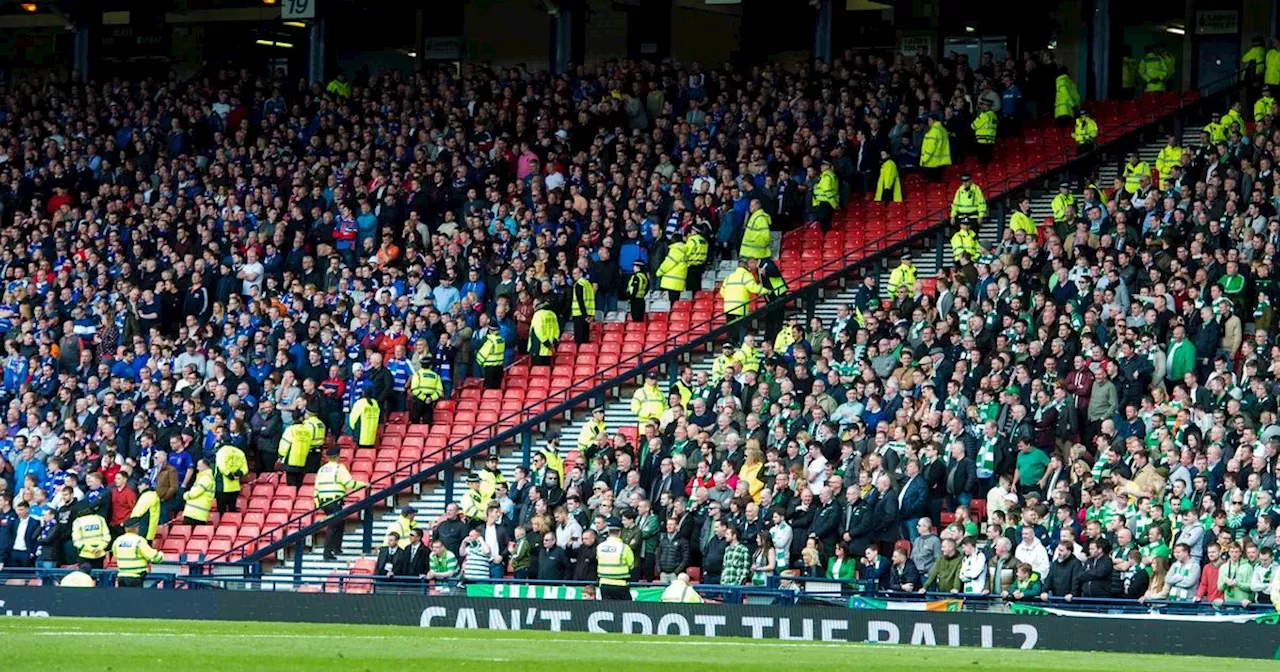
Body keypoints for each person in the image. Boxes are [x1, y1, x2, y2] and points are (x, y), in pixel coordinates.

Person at [315, 446, 363, 561]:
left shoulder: (322, 469)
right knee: (334, 525)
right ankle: (327, 553)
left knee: (339, 523)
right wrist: (364, 484)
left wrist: (317, 503)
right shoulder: (339, 467)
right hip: (334, 500)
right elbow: (349, 483)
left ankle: (337, 548)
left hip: (324, 501)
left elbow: (316, 487)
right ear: (337, 457)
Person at [111, 518, 164, 587]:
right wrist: (161, 555)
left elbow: (115, 555)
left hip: (121, 576)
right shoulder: (139, 541)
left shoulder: (118, 540)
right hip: (135, 577)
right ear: (136, 528)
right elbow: (153, 556)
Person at [721, 259, 763, 343]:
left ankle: (730, 343)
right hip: (741, 307)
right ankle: (740, 343)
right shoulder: (746, 275)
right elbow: (753, 288)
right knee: (742, 327)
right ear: (746, 267)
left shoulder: (729, 276)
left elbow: (722, 292)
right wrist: (765, 290)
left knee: (730, 327)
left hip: (728, 307)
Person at [597, 517, 635, 600]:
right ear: (619, 533)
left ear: (608, 532)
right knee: (626, 609)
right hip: (620, 584)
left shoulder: (600, 547)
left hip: (604, 584)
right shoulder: (624, 548)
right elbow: (631, 565)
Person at [214, 442, 247, 514]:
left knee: (222, 511)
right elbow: (245, 469)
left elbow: (221, 466)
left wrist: (230, 475)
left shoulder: (221, 451)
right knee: (232, 509)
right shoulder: (240, 452)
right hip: (235, 487)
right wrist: (238, 474)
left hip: (222, 487)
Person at [655, 232, 689, 303]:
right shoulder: (684, 250)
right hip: (678, 281)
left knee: (672, 303)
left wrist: (659, 272)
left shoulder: (676, 250)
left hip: (672, 281)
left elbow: (668, 263)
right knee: (675, 302)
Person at [181, 460, 216, 525]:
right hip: (196, 513)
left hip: (195, 514)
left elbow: (194, 493)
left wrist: (185, 495)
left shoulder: (206, 478)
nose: (197, 468)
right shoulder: (204, 477)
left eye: (199, 466)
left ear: (205, 466)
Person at [811, 158, 840, 232]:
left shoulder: (827, 176)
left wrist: (834, 204)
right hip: (825, 203)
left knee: (825, 225)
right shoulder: (824, 176)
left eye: (823, 165)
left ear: (829, 166)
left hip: (826, 203)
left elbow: (828, 192)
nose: (821, 167)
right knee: (825, 224)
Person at [919, 116, 951, 181]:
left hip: (932, 162)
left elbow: (931, 147)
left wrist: (924, 159)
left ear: (934, 120)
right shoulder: (943, 129)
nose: (928, 122)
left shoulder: (933, 131)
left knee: (932, 185)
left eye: (929, 120)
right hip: (941, 161)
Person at [529, 302, 561, 366]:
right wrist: (553, 344)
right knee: (546, 371)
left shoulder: (538, 314)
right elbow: (557, 331)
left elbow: (539, 331)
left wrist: (547, 344)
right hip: (549, 350)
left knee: (537, 373)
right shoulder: (553, 314)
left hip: (538, 349)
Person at [571, 266, 596, 344]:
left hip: (580, 314)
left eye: (575, 273)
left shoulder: (579, 284)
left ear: (581, 274)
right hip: (587, 313)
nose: (573, 275)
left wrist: (585, 315)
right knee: (585, 338)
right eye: (573, 273)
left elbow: (580, 301)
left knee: (579, 339)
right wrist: (589, 315)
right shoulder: (587, 283)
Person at [971, 99, 998, 164]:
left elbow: (973, 126)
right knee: (988, 162)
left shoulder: (984, 115)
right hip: (990, 142)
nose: (980, 106)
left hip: (982, 141)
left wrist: (977, 117)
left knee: (981, 163)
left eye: (982, 105)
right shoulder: (994, 115)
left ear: (985, 105)